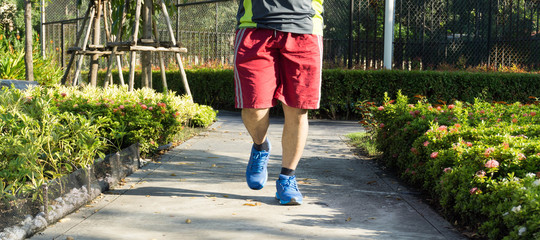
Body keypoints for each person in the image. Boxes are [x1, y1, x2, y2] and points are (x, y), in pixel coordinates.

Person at [234, 0, 324, 205]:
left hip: (304, 26)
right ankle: (260, 146)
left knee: (298, 109)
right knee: (253, 107)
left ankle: (287, 178)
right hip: (255, 26)